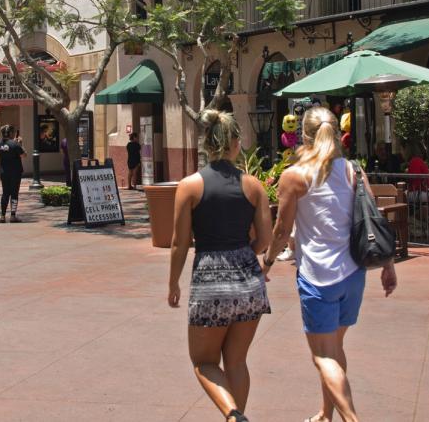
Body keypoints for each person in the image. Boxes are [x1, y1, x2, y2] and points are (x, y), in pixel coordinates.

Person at [263, 106, 397, 422]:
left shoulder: (294, 176)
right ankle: (326, 414)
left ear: (304, 136)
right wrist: (389, 265)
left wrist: (266, 263)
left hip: (318, 277)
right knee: (334, 349)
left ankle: (351, 419)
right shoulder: (354, 170)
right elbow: (373, 220)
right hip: (353, 274)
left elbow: (282, 230)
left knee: (322, 355)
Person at [168, 110, 272, 422]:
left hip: (209, 281)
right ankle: (236, 416)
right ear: (236, 143)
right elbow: (265, 241)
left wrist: (173, 283)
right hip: (248, 282)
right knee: (237, 361)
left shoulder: (189, 186)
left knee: (203, 361)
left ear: (207, 144)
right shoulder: (254, 186)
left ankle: (231, 415)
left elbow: (180, 242)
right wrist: (244, 255)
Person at [0, 125, 26, 223]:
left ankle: (2, 216)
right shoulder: (15, 144)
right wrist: (20, 144)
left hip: (4, 172)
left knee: (5, 193)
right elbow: (23, 155)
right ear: (9, 133)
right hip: (15, 172)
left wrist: (14, 142)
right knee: (14, 193)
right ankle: (13, 215)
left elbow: (8, 147)